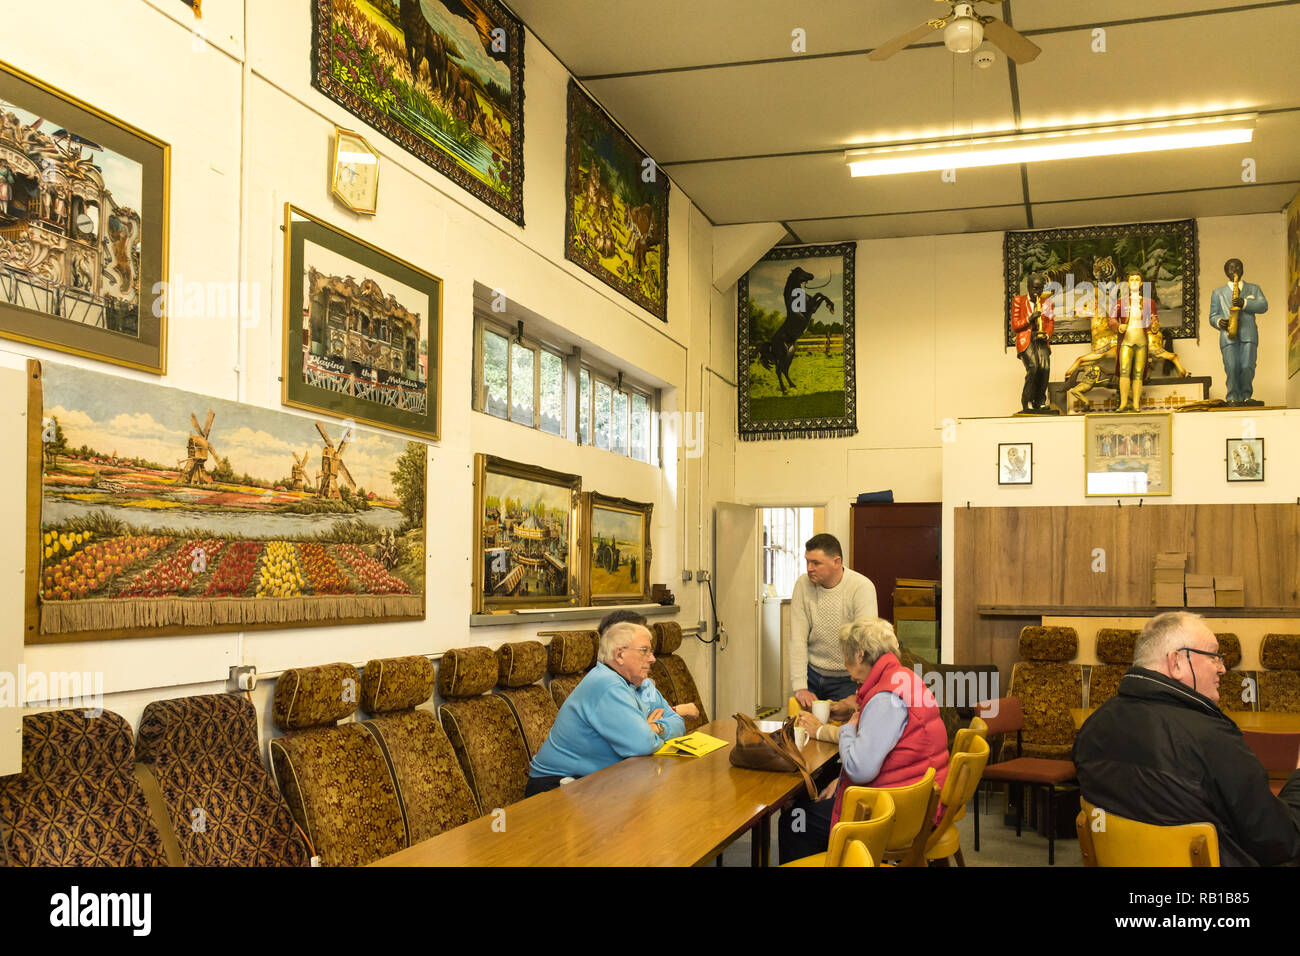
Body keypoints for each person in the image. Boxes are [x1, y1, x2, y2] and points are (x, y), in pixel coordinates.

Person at [1073, 611, 1300, 866]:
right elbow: (1283, 842)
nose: (1223, 668)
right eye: (1214, 656)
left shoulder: (1093, 727)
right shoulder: (1214, 741)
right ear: (1177, 662)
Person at [778, 618, 950, 863]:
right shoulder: (904, 678)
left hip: (892, 814)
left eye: (846, 658)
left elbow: (860, 770)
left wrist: (849, 729)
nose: (846, 667)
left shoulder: (885, 698)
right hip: (913, 800)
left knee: (794, 820)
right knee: (820, 789)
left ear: (860, 655)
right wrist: (840, 783)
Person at [525, 621, 694, 796]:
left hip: (602, 780)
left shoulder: (641, 683)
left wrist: (655, 728)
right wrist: (648, 732)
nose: (652, 658)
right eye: (645, 651)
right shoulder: (606, 684)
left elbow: (678, 724)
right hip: (556, 787)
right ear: (620, 654)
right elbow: (643, 744)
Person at [790, 533, 877, 716]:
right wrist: (800, 686)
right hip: (812, 675)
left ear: (836, 562)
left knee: (842, 736)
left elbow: (867, 643)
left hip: (847, 679)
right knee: (806, 733)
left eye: (816, 563)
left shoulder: (861, 587)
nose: (809, 568)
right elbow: (797, 638)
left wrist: (861, 689)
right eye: (807, 561)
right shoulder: (803, 585)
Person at [1209, 258, 1269, 406]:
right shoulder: (1218, 293)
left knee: (1247, 366)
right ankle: (1232, 397)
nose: (1234, 270)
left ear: (1242, 270)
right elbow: (1212, 316)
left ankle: (1247, 396)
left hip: (1248, 335)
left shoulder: (1254, 289)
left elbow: (1263, 306)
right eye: (1231, 268)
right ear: (1225, 272)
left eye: (1237, 267)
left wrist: (1245, 303)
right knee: (1231, 366)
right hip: (1228, 335)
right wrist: (1219, 322)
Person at [1109, 270, 1158, 412]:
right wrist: (1118, 326)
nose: (1135, 282)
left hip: (1142, 341)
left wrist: (1154, 325)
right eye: (1132, 280)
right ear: (1128, 284)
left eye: (1137, 279)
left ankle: (1136, 403)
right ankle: (1123, 403)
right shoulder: (1120, 302)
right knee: (1124, 370)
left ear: (1141, 283)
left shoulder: (1149, 302)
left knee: (1138, 372)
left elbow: (1153, 319)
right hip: (1126, 341)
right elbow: (1111, 320)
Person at [1011, 273, 1055, 413]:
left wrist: (1046, 334)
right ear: (1029, 287)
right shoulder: (1018, 301)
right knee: (1034, 367)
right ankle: (1027, 400)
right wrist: (1029, 319)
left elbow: (1050, 323)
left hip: (1041, 339)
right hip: (1026, 339)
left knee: (1045, 368)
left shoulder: (1047, 303)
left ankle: (1040, 401)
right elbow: (1015, 326)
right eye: (1035, 288)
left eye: (1040, 289)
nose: (1037, 292)